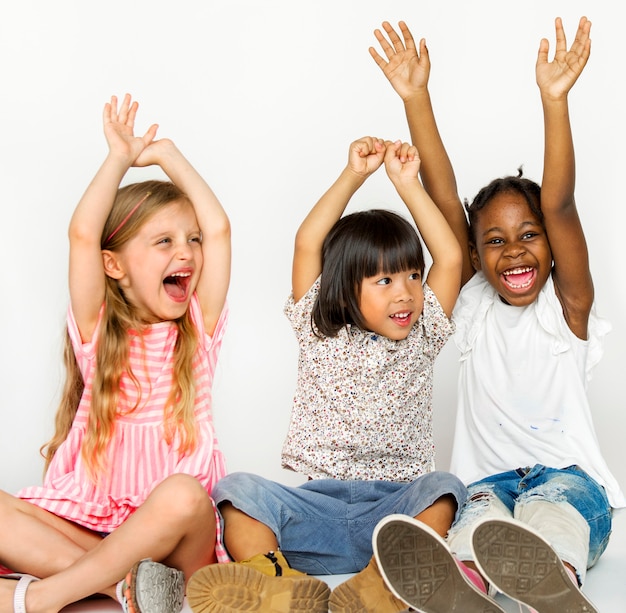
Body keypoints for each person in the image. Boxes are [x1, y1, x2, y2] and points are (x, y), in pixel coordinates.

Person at [369, 16, 626, 613]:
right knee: (474, 522)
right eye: (494, 241)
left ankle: (555, 580)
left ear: (551, 246)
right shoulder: (475, 304)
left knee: (549, 510)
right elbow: (441, 191)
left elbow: (559, 202)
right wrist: (415, 98)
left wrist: (554, 101)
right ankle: (468, 589)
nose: (513, 249)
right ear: (476, 258)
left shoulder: (567, 311)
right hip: (488, 486)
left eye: (530, 234)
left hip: (569, 482)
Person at [183, 136, 467, 613]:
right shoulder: (319, 327)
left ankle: (385, 581)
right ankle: (274, 581)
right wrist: (353, 175)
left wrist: (406, 184)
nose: (406, 294)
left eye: (413, 276)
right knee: (236, 491)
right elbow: (308, 241)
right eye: (384, 280)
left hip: (393, 511)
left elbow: (452, 257)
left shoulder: (424, 333)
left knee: (446, 489)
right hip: (315, 511)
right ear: (343, 289)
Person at [0, 93, 231, 613]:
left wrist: (168, 154)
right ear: (114, 266)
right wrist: (117, 159)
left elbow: (219, 230)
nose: (187, 253)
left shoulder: (196, 330)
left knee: (182, 494)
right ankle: (117, 590)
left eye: (190, 241)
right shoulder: (98, 332)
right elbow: (83, 234)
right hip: (94, 537)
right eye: (164, 241)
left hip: (177, 547)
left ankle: (45, 598)